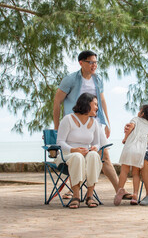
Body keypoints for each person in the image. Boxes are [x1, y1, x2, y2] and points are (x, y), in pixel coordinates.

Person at [53, 50, 129, 199]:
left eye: (95, 62)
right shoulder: (70, 79)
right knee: (78, 154)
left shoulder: (98, 79)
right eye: (90, 62)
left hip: (94, 121)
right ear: (81, 63)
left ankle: (119, 190)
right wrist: (57, 127)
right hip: (74, 123)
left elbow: (102, 100)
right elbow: (57, 102)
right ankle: (75, 189)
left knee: (104, 155)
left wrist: (106, 122)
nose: (94, 65)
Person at [55, 93, 102, 209]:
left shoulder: (94, 123)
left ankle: (90, 196)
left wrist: (95, 147)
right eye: (95, 104)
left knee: (94, 156)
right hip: (67, 155)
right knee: (77, 156)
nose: (97, 107)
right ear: (86, 104)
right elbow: (60, 142)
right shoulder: (68, 119)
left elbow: (97, 143)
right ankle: (75, 196)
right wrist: (73, 149)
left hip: (86, 154)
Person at [114, 105, 148, 206]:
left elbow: (130, 128)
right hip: (140, 151)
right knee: (136, 173)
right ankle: (135, 195)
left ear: (142, 114)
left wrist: (125, 138)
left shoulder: (135, 119)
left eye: (140, 110)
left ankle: (120, 190)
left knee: (124, 171)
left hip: (129, 148)